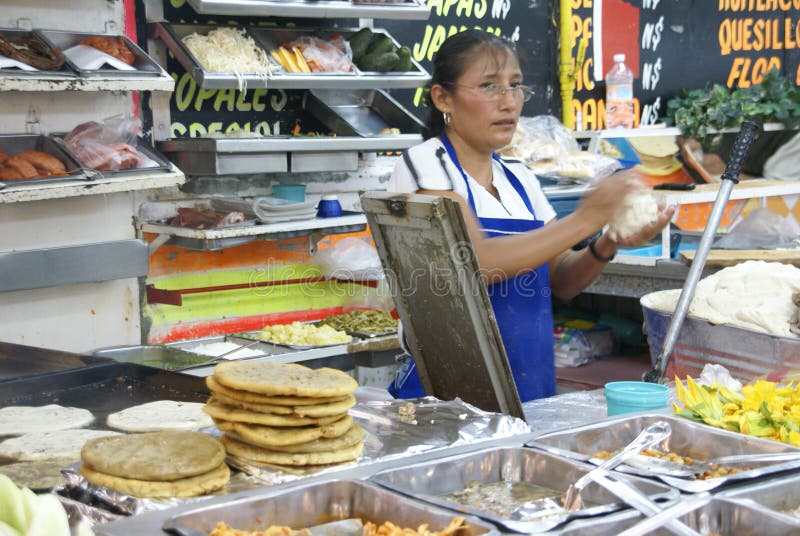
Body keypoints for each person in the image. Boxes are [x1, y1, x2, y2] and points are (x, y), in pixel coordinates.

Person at [387, 29, 673, 402]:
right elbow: (472, 263)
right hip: (446, 399)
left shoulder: (519, 177)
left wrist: (609, 240)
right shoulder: (425, 165)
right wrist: (587, 219)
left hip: (529, 391)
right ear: (443, 98)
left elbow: (562, 279)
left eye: (516, 86)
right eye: (489, 86)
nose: (509, 102)